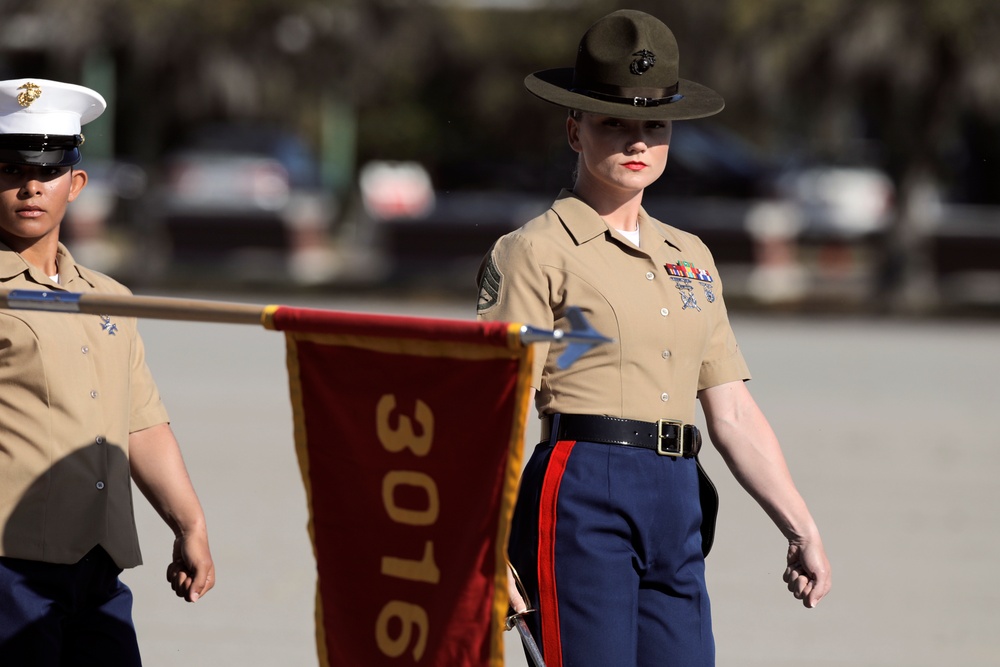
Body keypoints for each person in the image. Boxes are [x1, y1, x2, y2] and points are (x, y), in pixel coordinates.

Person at [476, 10, 831, 666]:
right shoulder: (535, 250)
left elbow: (731, 409)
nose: (637, 141)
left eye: (654, 124)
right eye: (614, 122)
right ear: (574, 130)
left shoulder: (690, 255)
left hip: (679, 496)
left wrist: (799, 521)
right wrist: (487, 549)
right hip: (581, 488)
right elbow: (487, 410)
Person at [0, 78, 214, 665]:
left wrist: (189, 524)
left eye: (46, 171)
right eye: (11, 169)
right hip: (8, 569)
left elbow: (140, 423)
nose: (29, 186)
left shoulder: (107, 297)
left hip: (96, 569)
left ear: (76, 183)